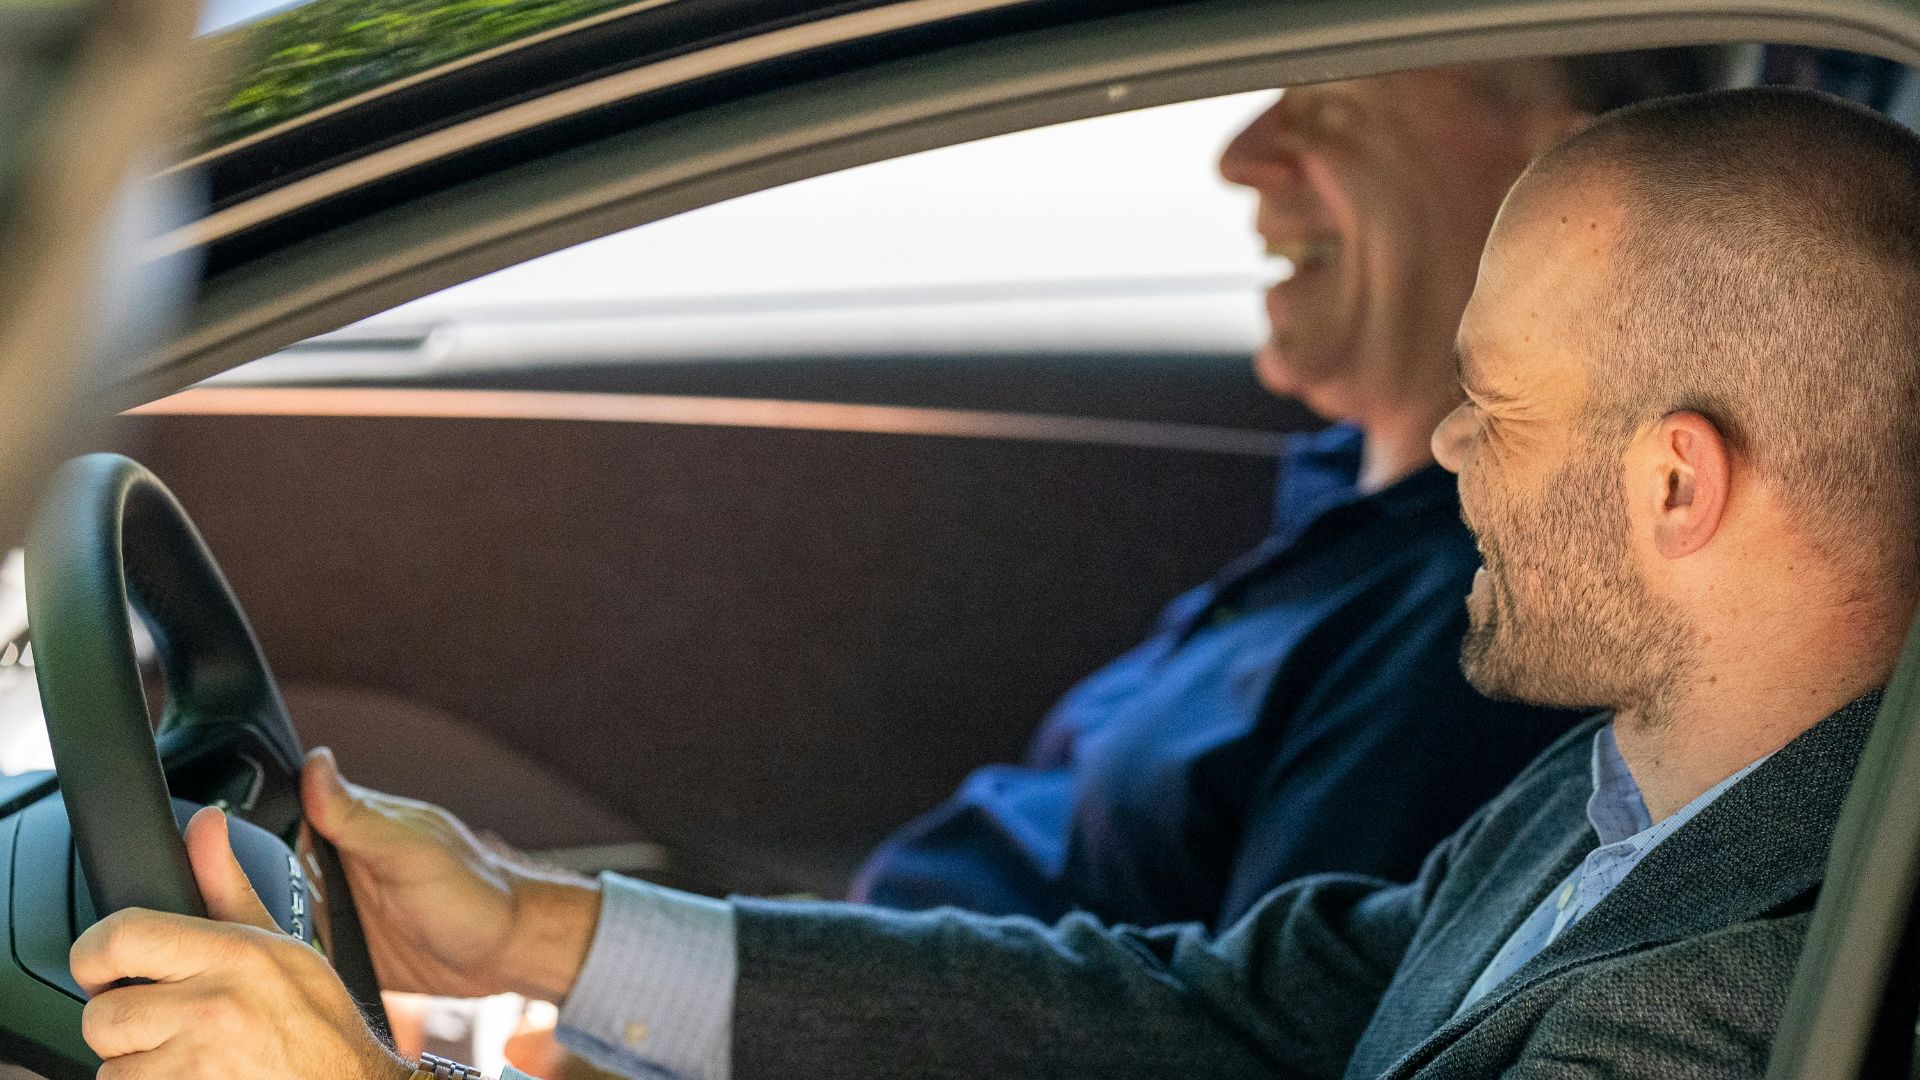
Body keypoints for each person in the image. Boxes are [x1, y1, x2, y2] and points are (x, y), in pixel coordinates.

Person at [67, 84, 1920, 1079]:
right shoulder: (1628, 797)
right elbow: (1226, 1022)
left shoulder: (1730, 1002)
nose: (1443, 451)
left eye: (1493, 410)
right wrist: (534, 933)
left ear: (1675, 483)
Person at [854, 50, 1720, 931]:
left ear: (1571, 193)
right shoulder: (1352, 504)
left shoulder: (1490, 623)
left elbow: (1252, 1007)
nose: (1241, 156)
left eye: (1332, 93)